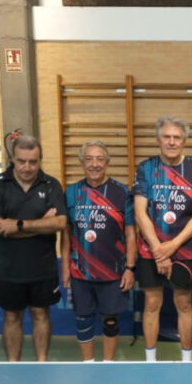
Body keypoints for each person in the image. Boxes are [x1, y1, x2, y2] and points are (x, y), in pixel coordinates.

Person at [0, 134, 67, 361]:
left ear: (40, 160)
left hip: (43, 266)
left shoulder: (51, 185)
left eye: (33, 161)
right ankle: (13, 364)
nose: (27, 167)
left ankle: (41, 363)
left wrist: (17, 224)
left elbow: (59, 223)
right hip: (8, 267)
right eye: (21, 161)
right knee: (11, 316)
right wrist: (42, 224)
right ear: (12, 158)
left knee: (41, 314)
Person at [132, 116, 192, 362]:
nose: (172, 142)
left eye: (177, 137)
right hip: (150, 250)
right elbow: (139, 212)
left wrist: (173, 246)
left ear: (184, 141)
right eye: (167, 137)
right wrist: (158, 249)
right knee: (152, 303)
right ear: (158, 139)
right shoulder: (145, 169)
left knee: (184, 303)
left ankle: (186, 360)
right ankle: (151, 360)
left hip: (184, 249)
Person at [60, 140, 137, 362]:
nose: (94, 164)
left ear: (107, 162)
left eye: (100, 159)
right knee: (83, 320)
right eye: (89, 159)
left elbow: (131, 234)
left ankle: (108, 365)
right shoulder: (72, 192)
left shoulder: (122, 192)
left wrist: (130, 268)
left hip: (113, 271)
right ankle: (88, 365)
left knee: (110, 321)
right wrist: (65, 267)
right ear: (82, 162)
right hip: (79, 271)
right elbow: (66, 234)